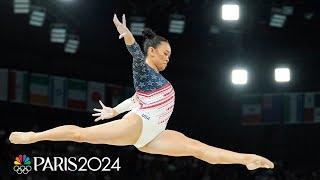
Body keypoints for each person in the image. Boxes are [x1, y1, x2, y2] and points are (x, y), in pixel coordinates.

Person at [9, 14, 274, 171]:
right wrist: (127, 35)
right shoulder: (144, 69)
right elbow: (134, 51)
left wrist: (115, 109)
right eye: (166, 54)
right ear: (153, 51)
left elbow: (138, 99)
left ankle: (246, 159)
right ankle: (33, 137)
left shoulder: (152, 80)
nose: (169, 59)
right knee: (81, 134)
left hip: (153, 134)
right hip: (140, 125)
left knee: (198, 149)